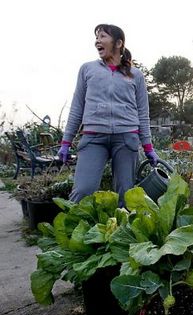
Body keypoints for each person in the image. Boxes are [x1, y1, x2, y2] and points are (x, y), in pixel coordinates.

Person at [57, 24, 159, 204]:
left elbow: (143, 113)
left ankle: (120, 230)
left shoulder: (136, 75)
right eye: (96, 37)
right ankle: (74, 230)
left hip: (126, 138)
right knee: (83, 190)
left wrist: (148, 146)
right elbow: (77, 107)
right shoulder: (87, 69)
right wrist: (66, 141)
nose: (97, 41)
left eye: (103, 36)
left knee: (125, 195)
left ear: (118, 43)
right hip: (93, 138)